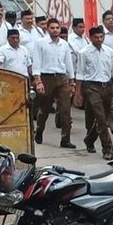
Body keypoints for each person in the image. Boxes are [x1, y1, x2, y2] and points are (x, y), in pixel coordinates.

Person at [31, 19, 77, 148]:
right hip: (46, 78)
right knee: (45, 109)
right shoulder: (40, 43)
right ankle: (39, 130)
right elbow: (37, 62)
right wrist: (38, 80)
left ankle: (65, 139)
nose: (55, 30)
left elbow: (68, 63)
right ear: (47, 29)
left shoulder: (64, 44)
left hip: (62, 78)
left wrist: (72, 81)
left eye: (57, 27)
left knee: (66, 110)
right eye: (52, 28)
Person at [73, 25, 113, 159]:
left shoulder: (109, 51)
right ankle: (107, 148)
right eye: (96, 37)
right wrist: (78, 93)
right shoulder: (84, 52)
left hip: (107, 86)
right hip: (91, 87)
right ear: (91, 38)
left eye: (101, 37)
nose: (99, 39)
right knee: (101, 118)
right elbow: (79, 73)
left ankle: (89, 139)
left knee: (105, 116)